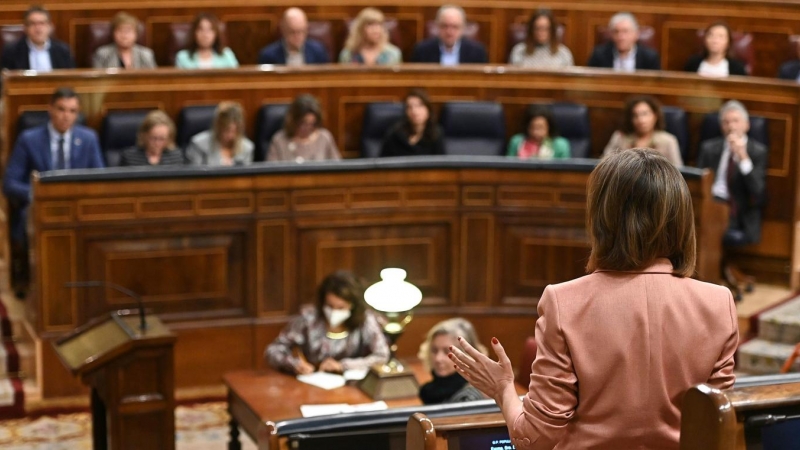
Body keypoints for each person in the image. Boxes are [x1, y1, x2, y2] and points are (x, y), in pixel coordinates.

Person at [450, 148, 738, 449]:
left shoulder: (563, 302)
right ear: (680, 220)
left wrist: (502, 389)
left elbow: (533, 440)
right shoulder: (719, 304)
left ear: (602, 219)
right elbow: (716, 429)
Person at [3, 88, 104, 296]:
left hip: (78, 208)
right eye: (61, 109)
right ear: (50, 109)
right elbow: (10, 183)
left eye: (72, 111)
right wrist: (37, 196)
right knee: (25, 219)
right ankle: (35, 283)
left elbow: (100, 179)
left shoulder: (88, 139)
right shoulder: (29, 139)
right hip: (39, 208)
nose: (66, 116)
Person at [265, 270, 390, 374]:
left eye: (341, 308)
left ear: (353, 306)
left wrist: (343, 366)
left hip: (352, 385)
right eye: (330, 306)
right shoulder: (308, 318)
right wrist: (294, 364)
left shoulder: (365, 320)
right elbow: (273, 350)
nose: (334, 312)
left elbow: (382, 355)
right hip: (311, 381)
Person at [697, 100, 767, 247]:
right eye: (726, 122)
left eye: (736, 121)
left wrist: (743, 157)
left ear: (747, 125)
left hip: (737, 212)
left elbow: (758, 192)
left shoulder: (757, 152)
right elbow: (698, 183)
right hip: (710, 205)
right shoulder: (708, 148)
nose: (731, 126)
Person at [417, 318, 486, 404]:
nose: (438, 359)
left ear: (467, 355)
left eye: (447, 352)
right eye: (434, 350)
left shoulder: (468, 397)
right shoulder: (428, 391)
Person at [603, 95, 682, 166]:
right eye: (635, 115)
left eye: (645, 114)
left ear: (655, 116)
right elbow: (604, 165)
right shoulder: (620, 137)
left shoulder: (668, 141)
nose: (641, 120)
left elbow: (678, 172)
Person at [267, 94, 341, 162]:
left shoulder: (325, 137)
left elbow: (338, 170)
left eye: (312, 124)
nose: (308, 128)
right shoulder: (279, 140)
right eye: (303, 123)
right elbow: (270, 172)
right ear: (293, 120)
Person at [1, 5, 75, 71]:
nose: (38, 28)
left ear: (50, 27)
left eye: (42, 23)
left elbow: (71, 79)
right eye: (33, 24)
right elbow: (6, 80)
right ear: (25, 28)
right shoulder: (11, 52)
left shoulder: (62, 51)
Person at [410, 5, 488, 65]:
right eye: (444, 26)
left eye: (455, 27)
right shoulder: (422, 51)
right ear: (437, 27)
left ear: (463, 28)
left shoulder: (477, 52)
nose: (449, 32)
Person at [380, 89, 444, 157]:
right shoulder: (395, 134)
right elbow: (383, 163)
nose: (414, 111)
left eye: (419, 106)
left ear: (428, 109)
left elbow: (442, 164)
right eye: (409, 107)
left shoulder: (436, 134)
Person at [587, 12, 660, 71]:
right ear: (611, 34)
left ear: (636, 34)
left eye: (625, 31)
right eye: (616, 32)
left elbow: (656, 85)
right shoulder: (599, 55)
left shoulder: (649, 58)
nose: (621, 37)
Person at [186, 102, 253, 166]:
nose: (230, 135)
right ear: (218, 127)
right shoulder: (199, 145)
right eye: (227, 130)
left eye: (235, 131)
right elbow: (195, 176)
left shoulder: (247, 148)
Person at [258, 8, 329, 65]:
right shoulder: (268, 55)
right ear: (283, 30)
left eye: (301, 31)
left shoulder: (318, 51)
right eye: (292, 32)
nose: (297, 36)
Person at [508, 10, 573, 68]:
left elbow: (570, 80)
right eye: (537, 28)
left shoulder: (563, 53)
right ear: (531, 30)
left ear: (552, 30)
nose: (541, 32)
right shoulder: (519, 51)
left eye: (546, 28)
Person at [92, 12, 156, 69]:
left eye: (128, 31)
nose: (124, 36)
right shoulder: (102, 54)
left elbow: (153, 79)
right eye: (120, 31)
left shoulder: (146, 55)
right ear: (113, 33)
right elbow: (97, 80)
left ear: (136, 34)